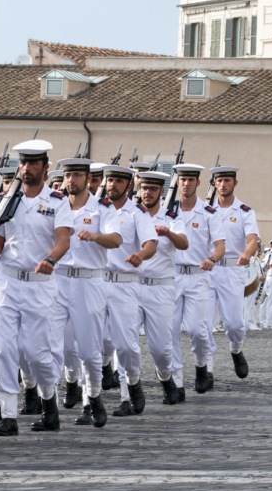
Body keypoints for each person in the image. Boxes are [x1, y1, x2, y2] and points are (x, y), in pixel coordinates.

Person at [0, 140, 73, 436]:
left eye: (33, 164)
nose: (26, 169)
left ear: (45, 168)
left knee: (36, 353)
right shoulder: (6, 201)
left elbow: (63, 239)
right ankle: (8, 415)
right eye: (23, 163)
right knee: (3, 349)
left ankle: (49, 404)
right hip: (8, 281)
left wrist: (51, 258)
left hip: (40, 285)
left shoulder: (57, 202)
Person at [92, 164, 157, 416]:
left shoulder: (137, 213)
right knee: (96, 342)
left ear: (129, 186)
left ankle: (131, 386)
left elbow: (151, 243)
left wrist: (141, 255)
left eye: (119, 182)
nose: (112, 186)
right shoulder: (96, 209)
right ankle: (91, 399)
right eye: (109, 181)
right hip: (97, 280)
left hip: (125, 283)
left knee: (126, 344)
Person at [52, 157, 111, 427]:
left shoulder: (102, 208)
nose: (71, 181)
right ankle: (62, 389)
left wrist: (96, 236)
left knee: (88, 349)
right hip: (59, 279)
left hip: (89, 281)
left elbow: (116, 238)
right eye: (68, 176)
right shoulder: (55, 204)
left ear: (88, 179)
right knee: (60, 346)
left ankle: (93, 398)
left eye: (77, 175)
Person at [161, 163, 218, 393]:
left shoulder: (208, 213)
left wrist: (212, 259)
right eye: (182, 180)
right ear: (177, 182)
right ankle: (177, 382)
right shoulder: (166, 210)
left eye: (190, 180)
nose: (186, 184)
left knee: (197, 330)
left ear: (197, 183)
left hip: (197, 276)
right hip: (171, 276)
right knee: (171, 330)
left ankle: (202, 365)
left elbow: (220, 245)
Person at [199, 166, 259, 380]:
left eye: (227, 180)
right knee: (203, 324)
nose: (223, 185)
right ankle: (207, 369)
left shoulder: (244, 211)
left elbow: (253, 239)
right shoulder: (205, 210)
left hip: (233, 269)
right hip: (208, 270)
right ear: (214, 184)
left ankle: (236, 349)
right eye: (219, 181)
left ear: (235, 183)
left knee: (234, 325)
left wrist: (247, 254)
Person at [132, 170, 185, 406]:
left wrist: (169, 233)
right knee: (125, 343)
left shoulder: (172, 216)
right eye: (144, 188)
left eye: (153, 189)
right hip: (132, 286)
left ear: (161, 192)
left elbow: (184, 243)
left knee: (161, 349)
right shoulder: (131, 214)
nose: (148, 193)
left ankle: (165, 377)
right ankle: (129, 393)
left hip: (161, 288)